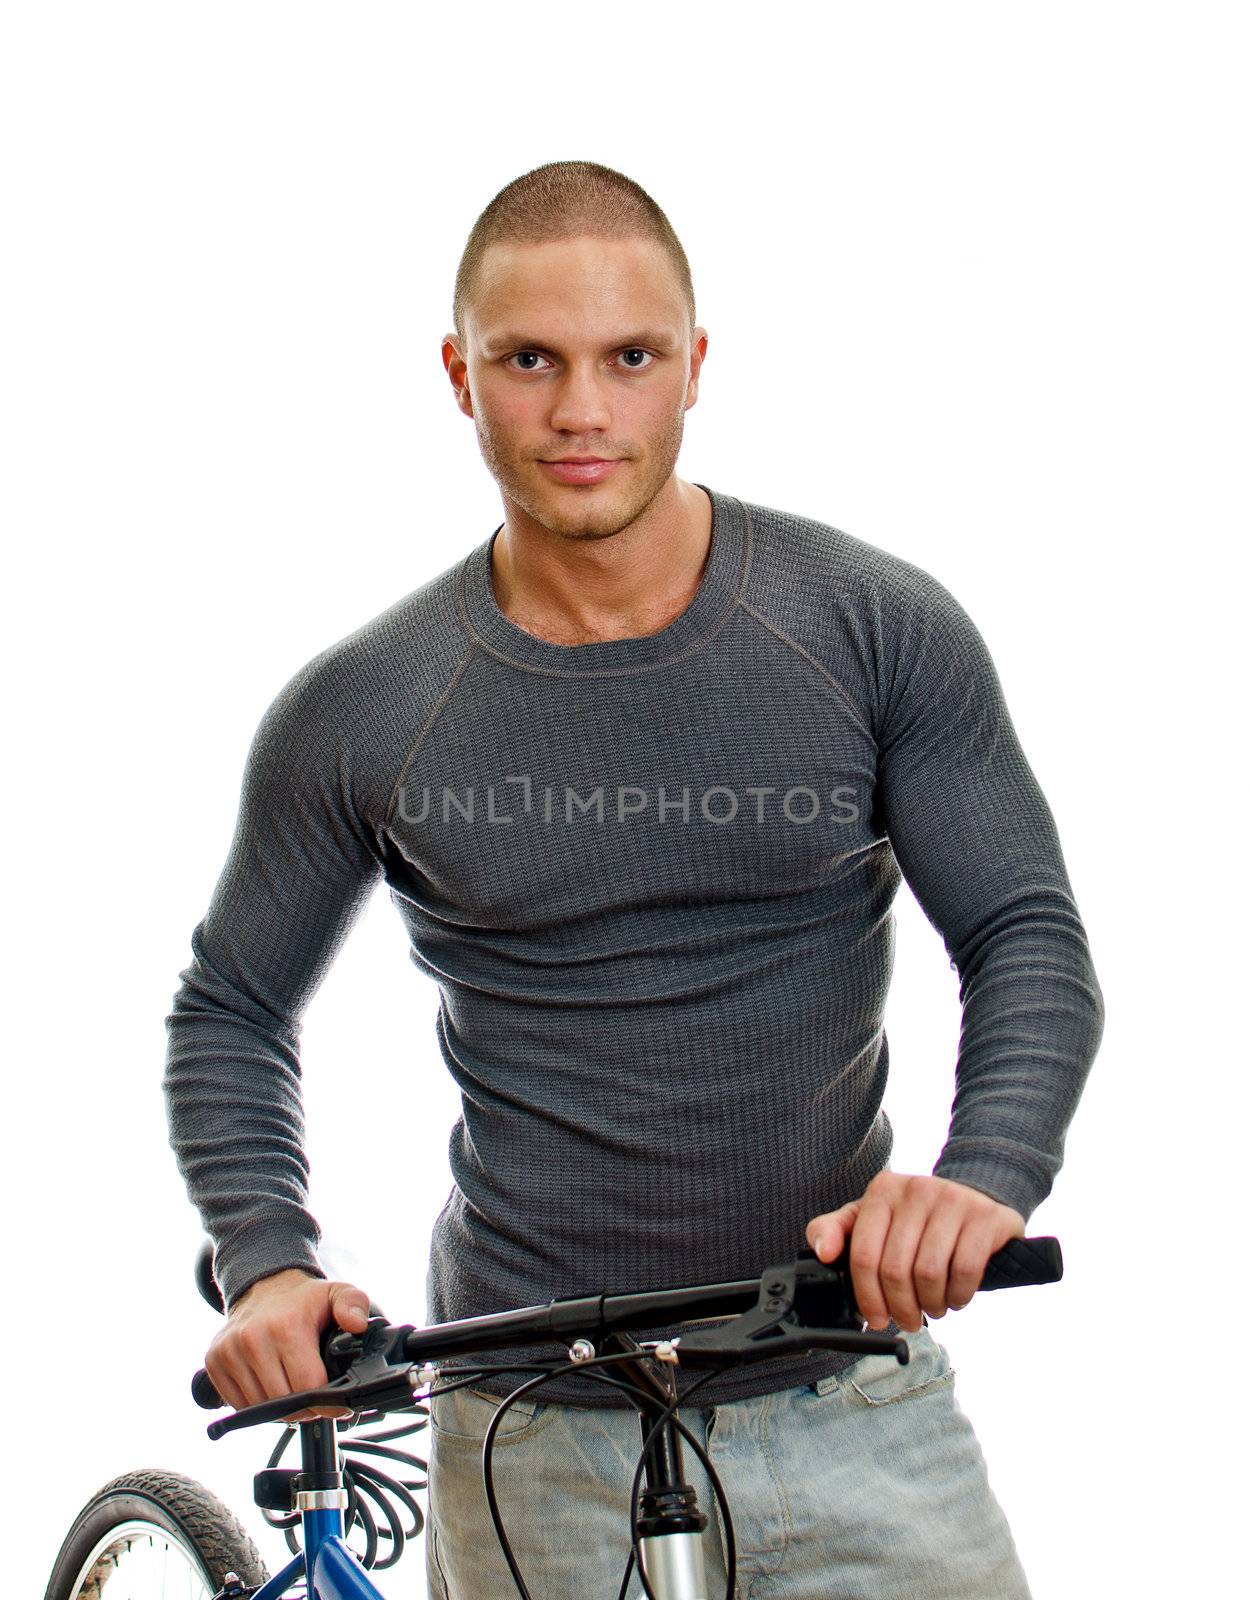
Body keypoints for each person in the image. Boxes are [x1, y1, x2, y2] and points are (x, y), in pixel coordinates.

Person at [163, 159, 1105, 1599]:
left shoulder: (866, 625)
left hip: (850, 1401)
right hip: (527, 1428)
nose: (582, 412)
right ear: (457, 375)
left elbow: (1023, 932)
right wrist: (267, 1263)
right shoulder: (367, 703)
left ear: (694, 368)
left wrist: (983, 1177)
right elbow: (231, 1005)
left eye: (629, 358)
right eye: (528, 360)